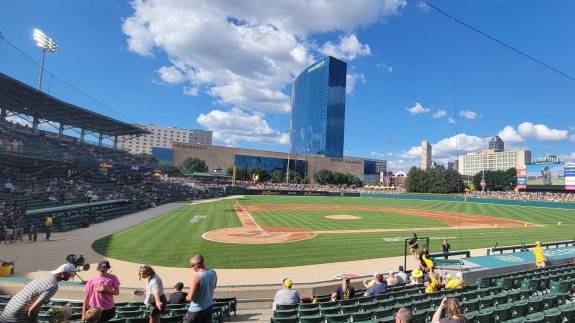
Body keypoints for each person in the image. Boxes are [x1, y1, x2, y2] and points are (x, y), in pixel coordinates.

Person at [0, 263, 76, 323]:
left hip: (7, 312)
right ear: (62, 274)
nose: (71, 276)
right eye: (70, 273)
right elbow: (32, 310)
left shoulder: (45, 277)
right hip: (15, 318)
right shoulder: (53, 286)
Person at [184, 255, 217, 323]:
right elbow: (214, 287)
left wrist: (186, 297)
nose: (192, 267)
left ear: (198, 265)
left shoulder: (197, 277)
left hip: (196, 310)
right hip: (209, 307)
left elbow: (190, 298)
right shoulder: (213, 272)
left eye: (192, 265)